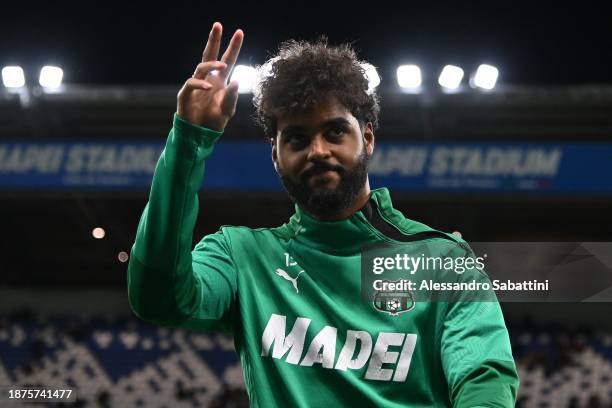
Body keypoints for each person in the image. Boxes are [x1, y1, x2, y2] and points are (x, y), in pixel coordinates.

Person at [127, 21, 519, 407]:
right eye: (297, 138)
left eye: (334, 132)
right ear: (275, 155)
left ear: (367, 137)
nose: (317, 151)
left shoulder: (441, 261)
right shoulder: (241, 257)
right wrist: (188, 141)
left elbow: (483, 377)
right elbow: (158, 299)